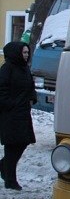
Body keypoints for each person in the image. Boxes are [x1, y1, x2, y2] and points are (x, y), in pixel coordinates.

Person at [0, 41, 37, 191]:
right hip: (10, 114)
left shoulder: (24, 68)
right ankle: (10, 180)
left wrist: (32, 97)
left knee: (23, 142)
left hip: (23, 113)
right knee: (12, 146)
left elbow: (30, 86)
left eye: (27, 52)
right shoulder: (7, 68)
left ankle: (3, 166)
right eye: (24, 52)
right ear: (16, 53)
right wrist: (11, 104)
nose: (26, 55)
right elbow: (1, 90)